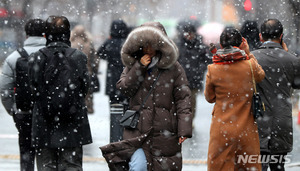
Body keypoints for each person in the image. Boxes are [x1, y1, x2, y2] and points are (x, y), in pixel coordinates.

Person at [100, 21, 192, 171]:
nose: (148, 48)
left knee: (162, 166)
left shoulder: (174, 68)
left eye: (152, 44)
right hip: (137, 130)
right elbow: (124, 88)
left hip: (164, 130)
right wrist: (139, 68)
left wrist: (184, 129)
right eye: (144, 44)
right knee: (138, 166)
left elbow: (183, 98)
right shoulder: (132, 64)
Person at [28, 15, 92, 171]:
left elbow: (32, 89)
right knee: (71, 165)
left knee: (46, 165)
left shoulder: (36, 58)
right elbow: (85, 87)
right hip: (73, 121)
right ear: (67, 34)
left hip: (44, 121)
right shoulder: (79, 57)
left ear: (46, 35)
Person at [204, 27, 265, 170]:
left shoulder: (213, 69)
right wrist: (248, 53)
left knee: (220, 166)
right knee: (248, 165)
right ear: (241, 43)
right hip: (246, 128)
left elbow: (210, 97)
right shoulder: (249, 66)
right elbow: (261, 75)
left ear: (221, 45)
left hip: (222, 129)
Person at [252, 19, 300, 171]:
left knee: (259, 164)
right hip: (282, 120)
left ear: (261, 36)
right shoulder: (292, 60)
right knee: (278, 165)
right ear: (281, 36)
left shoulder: (251, 59)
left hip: (258, 119)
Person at [0, 18, 46, 171]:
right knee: (47, 155)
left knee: (26, 152)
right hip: (49, 113)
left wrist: (13, 110)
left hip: (24, 112)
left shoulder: (14, 57)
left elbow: (5, 90)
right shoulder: (52, 55)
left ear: (27, 35)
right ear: (45, 35)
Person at [97, 19, 129, 142]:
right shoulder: (127, 43)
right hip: (126, 79)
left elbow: (100, 53)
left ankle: (115, 133)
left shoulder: (109, 43)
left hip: (112, 81)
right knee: (126, 107)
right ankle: (125, 133)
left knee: (114, 108)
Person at [176, 20, 210, 120]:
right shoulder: (179, 45)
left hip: (195, 78)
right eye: (187, 33)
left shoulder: (200, 45)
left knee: (192, 101)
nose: (189, 36)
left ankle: (190, 120)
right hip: (181, 79)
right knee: (181, 101)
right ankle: (182, 119)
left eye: (191, 33)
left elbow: (206, 60)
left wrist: (199, 69)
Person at [70, 24, 100, 114]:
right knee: (87, 92)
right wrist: (95, 70)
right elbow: (95, 60)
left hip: (73, 73)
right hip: (87, 72)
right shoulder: (89, 44)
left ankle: (75, 109)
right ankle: (88, 108)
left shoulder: (71, 44)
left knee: (75, 92)